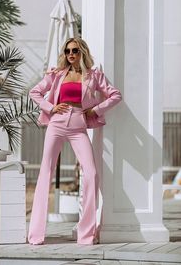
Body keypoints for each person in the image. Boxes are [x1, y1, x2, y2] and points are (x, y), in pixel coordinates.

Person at [28, 37, 122, 245]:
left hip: (79, 125)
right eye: (68, 51)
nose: (71, 54)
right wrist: (50, 107)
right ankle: (36, 234)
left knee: (92, 173)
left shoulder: (94, 76)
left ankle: (86, 234)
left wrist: (95, 110)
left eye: (75, 51)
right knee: (45, 172)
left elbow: (115, 95)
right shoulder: (56, 74)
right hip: (57, 124)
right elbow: (34, 92)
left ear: (82, 53)